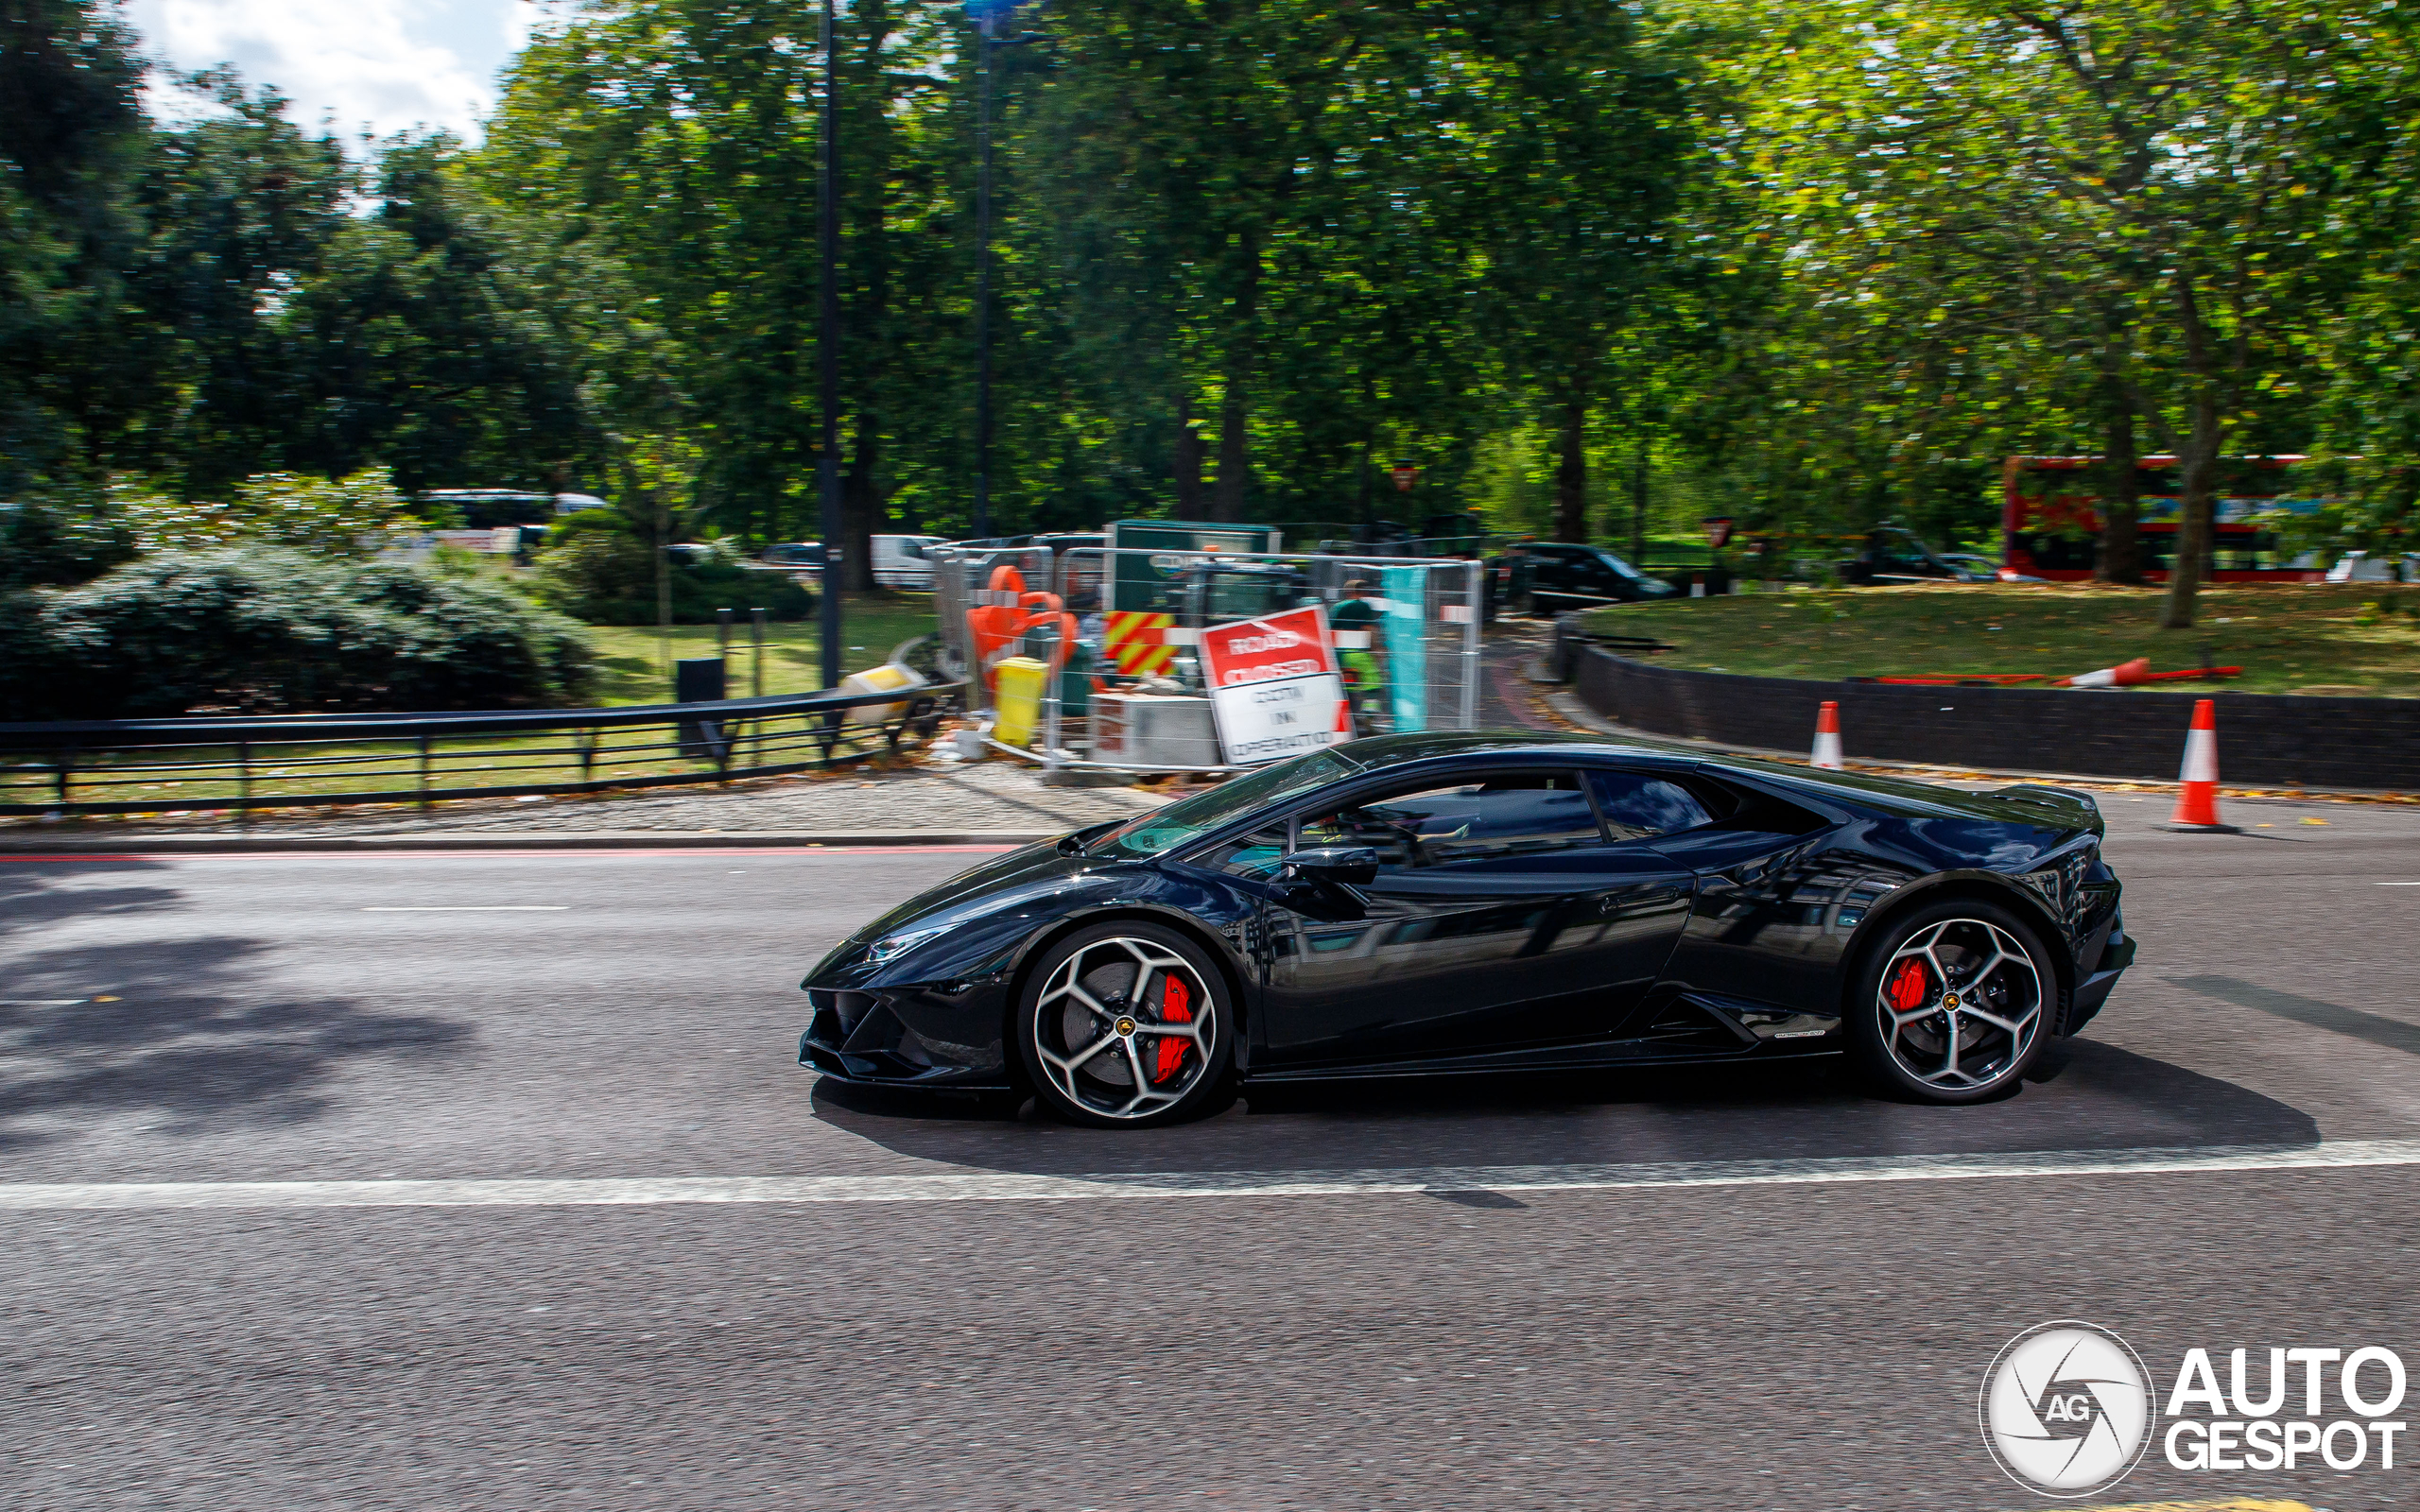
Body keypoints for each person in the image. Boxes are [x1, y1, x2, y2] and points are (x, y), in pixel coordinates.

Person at [1331, 579, 1385, 727]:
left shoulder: (1337, 607)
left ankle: (1349, 720)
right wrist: (1377, 650)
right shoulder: (1363, 606)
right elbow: (1368, 630)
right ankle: (1368, 717)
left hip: (1343, 655)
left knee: (1349, 688)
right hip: (1360, 654)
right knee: (1372, 684)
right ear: (1360, 591)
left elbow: (1332, 631)